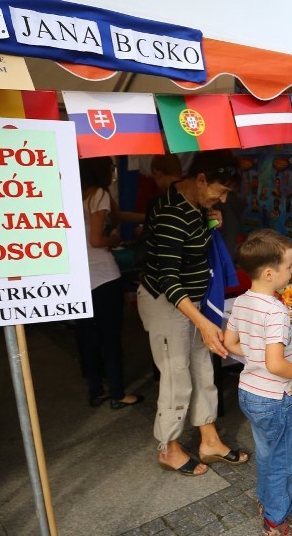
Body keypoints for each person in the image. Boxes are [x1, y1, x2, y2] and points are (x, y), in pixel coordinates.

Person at [138, 150, 249, 476]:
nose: (224, 198)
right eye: (221, 190)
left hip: (191, 303)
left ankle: (209, 438)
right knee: (176, 376)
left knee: (202, 368)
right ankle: (169, 447)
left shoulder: (189, 202)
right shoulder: (174, 213)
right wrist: (202, 322)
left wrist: (210, 222)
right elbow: (169, 280)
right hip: (168, 304)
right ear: (201, 179)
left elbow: (192, 248)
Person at [223, 229, 292, 536]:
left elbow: (229, 343)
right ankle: (276, 522)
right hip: (274, 398)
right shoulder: (275, 311)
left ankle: (265, 500)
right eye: (289, 267)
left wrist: (254, 355)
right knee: (284, 462)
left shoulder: (242, 301)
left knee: (267, 453)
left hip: (249, 391)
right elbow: (277, 365)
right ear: (269, 273)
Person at [75, 157, 143, 410]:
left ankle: (96, 390)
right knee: (111, 337)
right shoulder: (100, 194)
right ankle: (118, 393)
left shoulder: (76, 192)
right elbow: (95, 239)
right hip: (103, 275)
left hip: (81, 276)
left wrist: (151, 213)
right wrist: (112, 238)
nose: (114, 171)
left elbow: (118, 215)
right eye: (112, 167)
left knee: (88, 337)